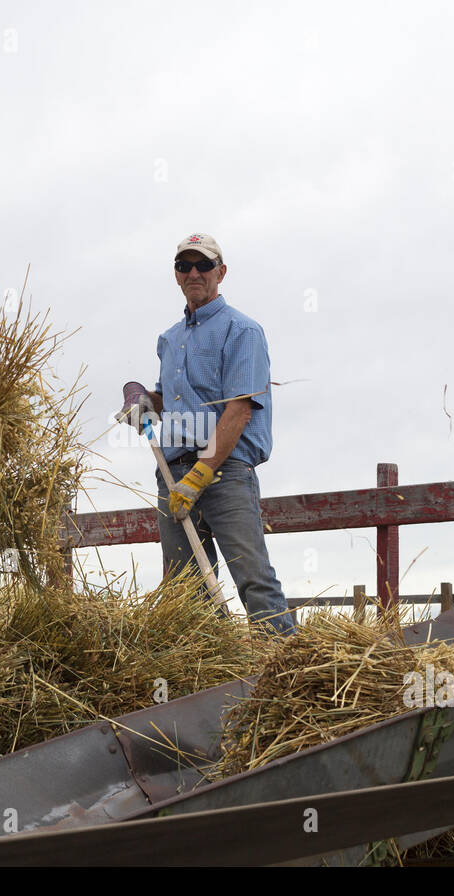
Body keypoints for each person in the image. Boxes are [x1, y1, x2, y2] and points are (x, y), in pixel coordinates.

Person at [124, 233, 295, 637]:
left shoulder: (242, 331)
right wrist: (143, 399)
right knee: (187, 590)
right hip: (172, 472)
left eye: (203, 265)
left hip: (223, 472)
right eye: (185, 266)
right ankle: (212, 682)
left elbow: (238, 409)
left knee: (253, 578)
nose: (194, 272)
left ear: (221, 272)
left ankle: (287, 673)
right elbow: (173, 400)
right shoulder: (170, 339)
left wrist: (201, 473)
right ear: (176, 276)